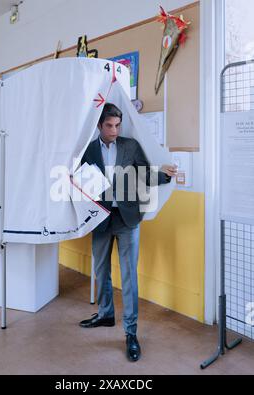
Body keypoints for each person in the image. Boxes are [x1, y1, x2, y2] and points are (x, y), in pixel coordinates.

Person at [79, 103, 177, 362]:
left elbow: (144, 174)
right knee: (100, 269)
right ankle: (105, 314)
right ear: (99, 126)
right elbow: (79, 180)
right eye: (109, 125)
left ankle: (131, 333)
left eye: (117, 125)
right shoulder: (88, 150)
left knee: (129, 276)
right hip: (100, 219)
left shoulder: (130, 146)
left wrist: (164, 176)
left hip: (127, 218)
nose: (114, 130)